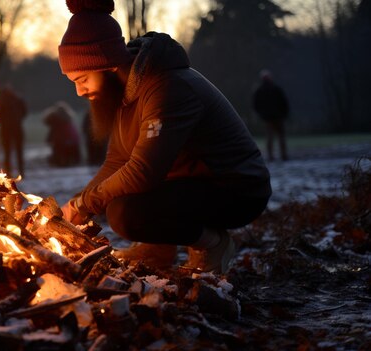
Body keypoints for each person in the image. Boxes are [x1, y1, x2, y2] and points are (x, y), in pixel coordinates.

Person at [57, 0, 271, 273]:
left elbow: (143, 171)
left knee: (125, 213)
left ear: (106, 64)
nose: (79, 91)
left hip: (236, 187)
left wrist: (86, 202)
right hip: (191, 183)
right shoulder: (123, 95)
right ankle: (158, 249)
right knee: (120, 199)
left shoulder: (167, 87)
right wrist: (79, 203)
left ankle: (214, 244)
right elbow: (117, 161)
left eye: (82, 79)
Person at [253, 70, 290, 162]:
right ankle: (283, 156)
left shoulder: (259, 90)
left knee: (270, 138)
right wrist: (284, 114)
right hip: (277, 117)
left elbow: (255, 105)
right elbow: (284, 102)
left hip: (268, 118)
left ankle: (271, 156)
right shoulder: (276, 88)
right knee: (280, 137)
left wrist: (261, 114)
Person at [0, 86, 27, 177]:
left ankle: (9, 172)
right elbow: (24, 111)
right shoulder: (18, 99)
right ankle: (20, 172)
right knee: (18, 151)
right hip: (16, 128)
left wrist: (3, 122)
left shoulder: (1, 102)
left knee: (8, 152)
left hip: (7, 129)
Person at [43, 102, 81, 167]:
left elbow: (52, 132)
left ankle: (61, 162)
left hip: (60, 142)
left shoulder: (55, 120)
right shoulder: (68, 120)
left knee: (60, 155)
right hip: (68, 141)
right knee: (66, 157)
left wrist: (49, 140)